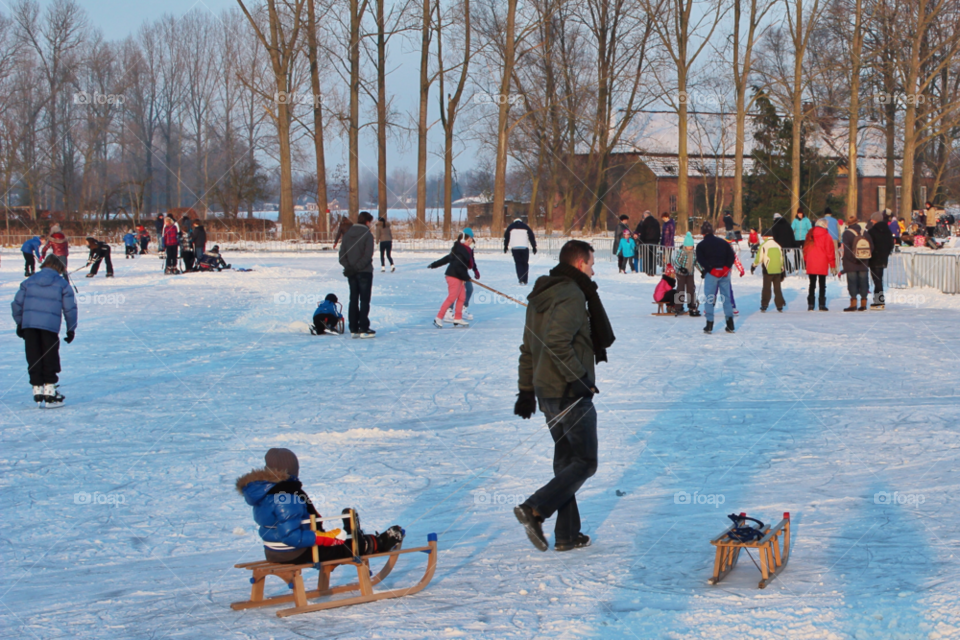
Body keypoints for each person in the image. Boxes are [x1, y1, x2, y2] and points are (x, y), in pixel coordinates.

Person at [514, 240, 614, 552]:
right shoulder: (571, 294)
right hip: (569, 392)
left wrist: (527, 390)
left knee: (567, 463)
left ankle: (568, 534)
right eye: (592, 263)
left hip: (547, 390)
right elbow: (557, 343)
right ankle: (535, 509)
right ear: (580, 264)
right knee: (585, 462)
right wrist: (581, 379)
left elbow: (528, 348)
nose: (594, 269)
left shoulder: (541, 295)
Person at [236, 448, 404, 565]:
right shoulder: (286, 496)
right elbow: (290, 536)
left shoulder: (263, 492)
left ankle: (353, 534)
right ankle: (379, 542)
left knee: (338, 541)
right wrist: (322, 538)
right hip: (295, 552)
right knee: (344, 548)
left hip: (273, 551)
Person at [11, 254, 77, 408]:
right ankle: (50, 390)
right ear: (60, 267)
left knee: (33, 354)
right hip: (49, 325)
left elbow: (16, 304)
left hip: (30, 325)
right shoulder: (62, 284)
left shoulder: (29, 281)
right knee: (50, 355)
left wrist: (20, 323)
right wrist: (71, 328)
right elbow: (70, 308)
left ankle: (37, 389)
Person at [339, 211, 376, 338]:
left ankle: (354, 327)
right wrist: (356, 268)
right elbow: (367, 255)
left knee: (353, 299)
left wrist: (349, 268)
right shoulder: (368, 235)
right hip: (364, 272)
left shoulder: (347, 234)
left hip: (352, 273)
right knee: (364, 300)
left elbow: (342, 256)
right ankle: (363, 328)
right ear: (367, 222)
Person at [695, 222, 736, 334]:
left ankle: (709, 325)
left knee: (709, 298)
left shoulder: (701, 245)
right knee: (726, 297)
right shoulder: (723, 243)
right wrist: (726, 268)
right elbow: (731, 256)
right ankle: (730, 323)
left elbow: (701, 259)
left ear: (702, 233)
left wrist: (709, 269)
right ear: (713, 231)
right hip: (724, 272)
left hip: (711, 273)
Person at [429, 231, 474, 328]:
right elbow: (458, 267)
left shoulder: (462, 250)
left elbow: (447, 259)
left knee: (462, 297)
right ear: (462, 241)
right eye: (468, 240)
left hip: (459, 277)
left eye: (471, 240)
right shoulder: (460, 252)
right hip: (453, 276)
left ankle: (458, 317)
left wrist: (434, 264)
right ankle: (438, 318)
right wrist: (466, 277)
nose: (470, 242)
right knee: (452, 297)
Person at [444, 228, 480, 323]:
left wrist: (475, 269)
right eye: (469, 238)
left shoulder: (470, 246)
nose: (471, 239)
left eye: (471, 238)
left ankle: (462, 309)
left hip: (464, 271)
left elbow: (471, 258)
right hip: (456, 272)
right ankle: (449, 311)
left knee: (469, 289)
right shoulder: (458, 247)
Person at [841, 215, 874, 312]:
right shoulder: (864, 232)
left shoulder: (847, 233)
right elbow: (871, 246)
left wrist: (853, 259)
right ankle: (863, 303)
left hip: (851, 263)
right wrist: (865, 257)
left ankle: (853, 303)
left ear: (848, 223)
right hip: (863, 261)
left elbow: (847, 249)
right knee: (863, 282)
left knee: (852, 283)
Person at [803, 219, 836, 311]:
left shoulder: (810, 234)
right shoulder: (827, 236)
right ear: (824, 225)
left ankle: (810, 304)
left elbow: (805, 249)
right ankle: (822, 304)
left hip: (811, 261)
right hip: (822, 261)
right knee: (822, 284)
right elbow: (830, 251)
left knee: (812, 284)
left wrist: (806, 260)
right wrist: (832, 264)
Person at [867, 210, 894, 309]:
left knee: (876, 280)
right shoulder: (887, 231)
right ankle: (877, 299)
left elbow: (870, 245)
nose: (871, 221)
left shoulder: (872, 231)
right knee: (878, 278)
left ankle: (880, 300)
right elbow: (891, 245)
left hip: (874, 258)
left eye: (873, 220)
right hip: (883, 258)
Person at [751, 235, 785, 312]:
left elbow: (759, 258)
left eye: (763, 236)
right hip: (778, 269)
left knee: (766, 288)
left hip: (768, 270)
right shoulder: (777, 245)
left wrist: (754, 265)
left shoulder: (764, 245)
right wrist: (782, 267)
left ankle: (764, 305)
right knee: (777, 288)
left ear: (766, 236)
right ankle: (780, 305)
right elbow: (781, 257)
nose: (762, 237)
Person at [672, 232, 700, 316]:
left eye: (691, 246)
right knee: (680, 289)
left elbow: (696, 263)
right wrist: (681, 268)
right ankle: (678, 307)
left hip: (690, 273)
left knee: (691, 289)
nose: (690, 248)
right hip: (681, 274)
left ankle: (692, 306)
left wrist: (702, 270)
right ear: (685, 246)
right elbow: (676, 262)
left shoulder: (694, 253)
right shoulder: (682, 252)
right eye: (688, 246)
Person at [504, 217, 537, 285]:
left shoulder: (511, 227)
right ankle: (525, 279)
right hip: (524, 247)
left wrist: (505, 246)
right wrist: (534, 246)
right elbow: (531, 236)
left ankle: (521, 278)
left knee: (518, 263)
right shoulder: (525, 226)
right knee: (525, 263)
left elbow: (506, 237)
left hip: (515, 247)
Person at [636, 211, 661, 276]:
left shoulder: (645, 222)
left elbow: (643, 232)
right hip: (654, 242)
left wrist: (641, 241)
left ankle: (647, 271)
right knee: (653, 257)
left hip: (646, 242)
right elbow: (658, 232)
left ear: (645, 216)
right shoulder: (656, 222)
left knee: (647, 257)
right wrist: (657, 241)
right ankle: (653, 271)